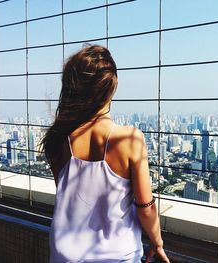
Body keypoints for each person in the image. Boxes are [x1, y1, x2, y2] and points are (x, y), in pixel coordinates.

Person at [41, 45, 169, 263]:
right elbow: (146, 208)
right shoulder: (129, 139)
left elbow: (76, 201)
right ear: (112, 87)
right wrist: (157, 242)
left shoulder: (58, 139)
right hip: (118, 257)